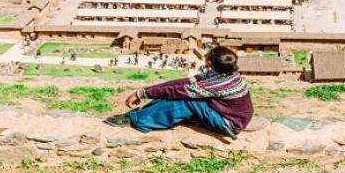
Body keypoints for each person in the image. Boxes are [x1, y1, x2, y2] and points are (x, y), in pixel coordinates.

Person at [104, 46, 253, 140]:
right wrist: (144, 92)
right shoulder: (224, 73)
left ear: (210, 63)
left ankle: (138, 120)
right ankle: (142, 113)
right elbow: (183, 82)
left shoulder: (218, 84)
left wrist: (141, 94)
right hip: (228, 115)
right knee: (180, 94)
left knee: (186, 100)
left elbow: (178, 91)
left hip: (230, 123)